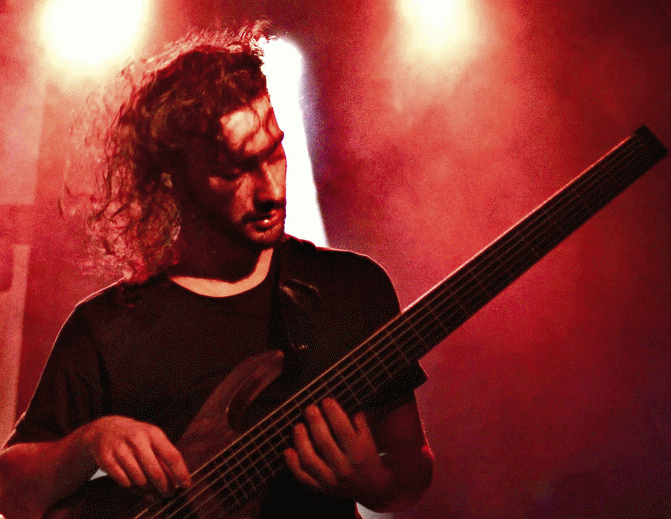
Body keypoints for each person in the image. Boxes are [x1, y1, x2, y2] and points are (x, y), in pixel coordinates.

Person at [0, 25, 433, 519]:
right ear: (172, 178)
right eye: (233, 171)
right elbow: (9, 491)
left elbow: (412, 465)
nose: (270, 190)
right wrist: (86, 444)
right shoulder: (105, 329)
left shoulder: (350, 289)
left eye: (274, 153)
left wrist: (374, 483)